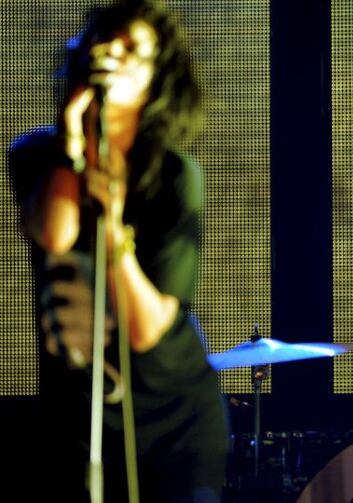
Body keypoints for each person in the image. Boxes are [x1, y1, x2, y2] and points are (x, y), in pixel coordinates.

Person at [7, 1, 228, 500]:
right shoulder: (35, 156)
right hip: (79, 415)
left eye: (132, 48)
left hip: (174, 419)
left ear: (156, 78)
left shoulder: (174, 176)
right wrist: (72, 135)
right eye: (104, 39)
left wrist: (113, 234)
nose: (112, 52)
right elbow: (55, 235)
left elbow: (147, 330)